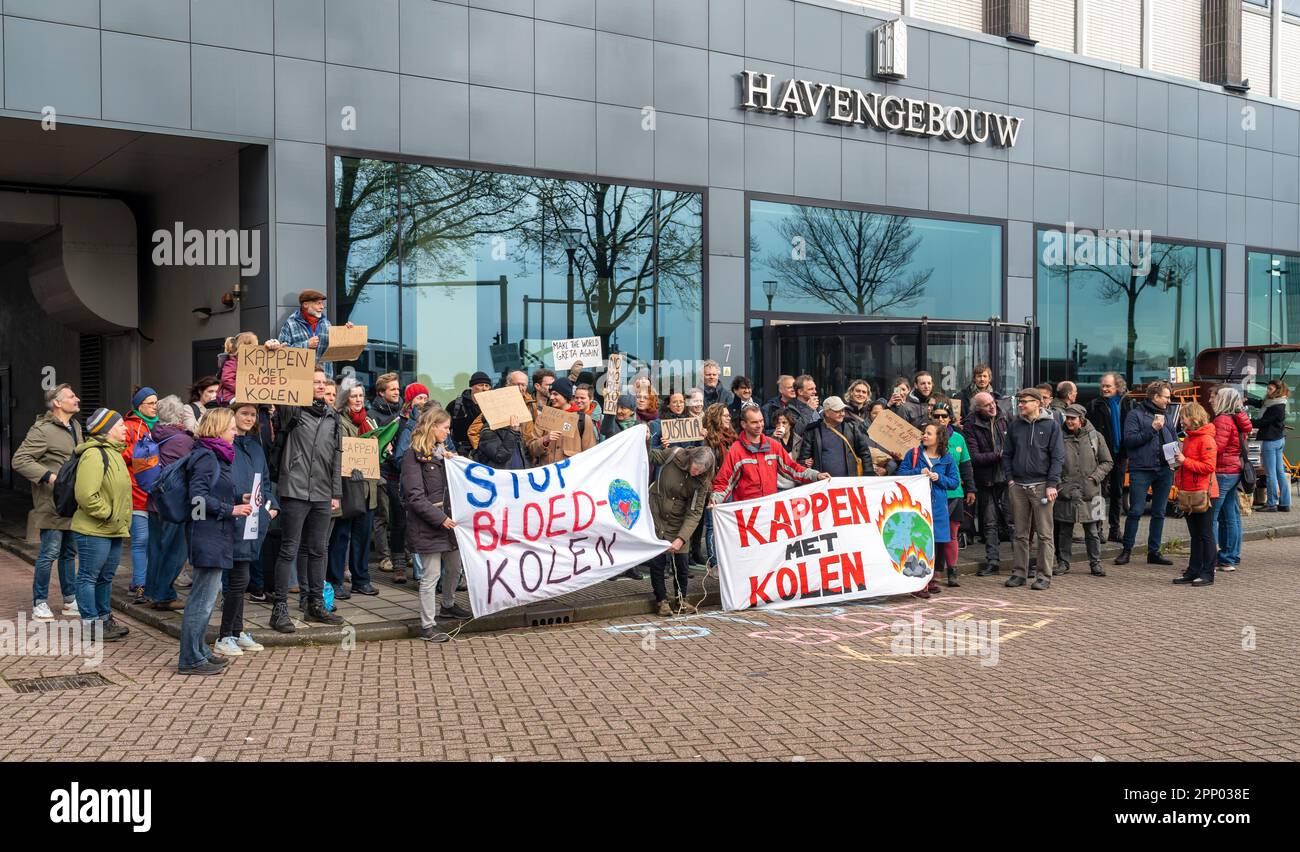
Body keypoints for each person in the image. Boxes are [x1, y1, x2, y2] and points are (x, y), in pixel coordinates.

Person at [176, 408, 255, 675]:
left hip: (217, 536)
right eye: (231, 427)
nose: (236, 432)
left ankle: (199, 651)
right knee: (201, 600)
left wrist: (237, 500)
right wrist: (230, 510)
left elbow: (213, 493)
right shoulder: (206, 457)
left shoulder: (217, 456)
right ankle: (190, 658)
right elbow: (196, 500)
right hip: (207, 537)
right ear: (219, 429)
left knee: (207, 599)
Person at [268, 367, 344, 632]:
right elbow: (278, 390)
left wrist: (336, 493)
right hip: (295, 488)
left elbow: (337, 457)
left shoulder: (333, 416)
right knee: (289, 548)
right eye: (315, 382)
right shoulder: (293, 410)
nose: (320, 386)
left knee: (318, 549)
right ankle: (279, 610)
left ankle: (315, 605)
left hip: (323, 491)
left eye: (323, 382)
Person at [13, 383, 85, 621]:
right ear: (57, 403)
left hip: (71, 503)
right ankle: (40, 602)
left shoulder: (75, 425)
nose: (77, 399)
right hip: (50, 502)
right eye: (71, 396)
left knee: (69, 552)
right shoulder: (42, 429)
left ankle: (69, 600)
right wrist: (50, 477)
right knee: (50, 552)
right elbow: (20, 459)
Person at [402, 408, 472, 642]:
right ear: (432, 427)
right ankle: (427, 625)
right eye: (445, 427)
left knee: (454, 566)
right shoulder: (413, 455)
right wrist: (439, 518)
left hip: (449, 523)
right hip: (430, 525)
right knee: (431, 575)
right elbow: (415, 496)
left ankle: (448, 604)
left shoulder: (444, 455)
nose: (448, 432)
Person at [72, 409, 134, 642]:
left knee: (105, 577)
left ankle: (104, 619)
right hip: (94, 530)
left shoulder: (115, 453)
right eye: (120, 425)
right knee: (88, 576)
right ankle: (90, 624)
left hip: (113, 529)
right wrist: (107, 514)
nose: (125, 428)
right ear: (106, 430)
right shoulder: (95, 455)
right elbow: (86, 494)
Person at [220, 402, 278, 647]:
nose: (249, 418)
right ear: (232, 415)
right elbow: (219, 483)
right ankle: (226, 635)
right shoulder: (223, 446)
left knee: (241, 578)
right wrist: (235, 501)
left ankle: (236, 630)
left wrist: (271, 506)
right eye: (244, 413)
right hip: (230, 519)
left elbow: (264, 481)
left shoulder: (255, 447)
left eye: (253, 414)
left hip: (253, 519)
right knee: (237, 579)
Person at [1003, 388, 1065, 590]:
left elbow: (1057, 457)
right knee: (1020, 533)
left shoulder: (1052, 426)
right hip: (1018, 486)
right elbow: (1007, 455)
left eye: (1025, 401)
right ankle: (1019, 573)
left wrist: (1052, 484)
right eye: (1019, 401)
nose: (1020, 405)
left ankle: (1043, 576)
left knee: (1045, 534)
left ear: (1038, 403)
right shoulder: (1015, 425)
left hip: (1042, 486)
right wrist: (1010, 480)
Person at [646, 446, 714, 616]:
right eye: (695, 468)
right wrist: (646, 439)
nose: (696, 473)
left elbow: (695, 512)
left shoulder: (702, 481)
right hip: (656, 514)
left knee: (682, 563)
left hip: (679, 520)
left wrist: (681, 539)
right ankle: (661, 600)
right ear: (691, 459)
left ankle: (681, 599)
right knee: (658, 562)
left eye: (701, 471)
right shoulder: (674, 454)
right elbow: (651, 456)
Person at [1116, 380, 1178, 566]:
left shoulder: (1166, 415)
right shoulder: (1135, 415)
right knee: (1135, 511)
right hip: (1142, 469)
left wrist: (1175, 461)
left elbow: (1173, 439)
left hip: (1165, 470)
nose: (1169, 401)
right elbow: (1130, 441)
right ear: (1155, 397)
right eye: (1166, 397)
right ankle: (1126, 550)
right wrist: (1152, 429)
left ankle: (1154, 552)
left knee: (1159, 512)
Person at [328, 377, 379, 600]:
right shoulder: (338, 421)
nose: (358, 400)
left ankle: (361, 580)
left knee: (363, 536)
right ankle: (336, 581)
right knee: (341, 537)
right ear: (345, 399)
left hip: (368, 489)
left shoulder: (369, 422)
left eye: (360, 396)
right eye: (353, 396)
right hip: (348, 488)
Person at [713, 404, 827, 504]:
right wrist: (715, 499)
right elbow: (724, 481)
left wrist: (816, 475)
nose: (759, 425)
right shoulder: (736, 450)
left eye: (761, 421)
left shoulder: (773, 445)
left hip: (769, 511)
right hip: (747, 513)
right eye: (754, 422)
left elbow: (793, 468)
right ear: (743, 424)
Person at [143, 396, 195, 611]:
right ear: (180, 416)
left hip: (155, 501)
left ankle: (152, 591)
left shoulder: (155, 434)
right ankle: (164, 594)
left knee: (155, 548)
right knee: (176, 550)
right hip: (173, 504)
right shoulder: (183, 440)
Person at [897, 421, 961, 595]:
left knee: (934, 543)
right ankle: (919, 583)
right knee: (919, 541)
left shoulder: (947, 458)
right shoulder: (914, 454)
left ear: (939, 438)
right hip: (917, 506)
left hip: (938, 507)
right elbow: (901, 474)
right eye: (924, 433)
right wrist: (918, 472)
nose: (925, 435)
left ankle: (929, 578)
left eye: (929, 433)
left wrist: (938, 477)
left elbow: (954, 483)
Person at [1053, 404, 1113, 577]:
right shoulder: (1058, 436)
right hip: (1066, 491)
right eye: (1068, 417)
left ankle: (1096, 563)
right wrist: (1059, 485)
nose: (1069, 421)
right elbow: (1053, 463)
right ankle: (1063, 563)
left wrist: (1096, 477)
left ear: (1082, 419)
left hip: (1092, 491)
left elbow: (1107, 462)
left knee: (1093, 531)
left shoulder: (1096, 437)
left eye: (1073, 418)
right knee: (1064, 530)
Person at [963, 391, 1012, 576]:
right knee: (989, 522)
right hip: (987, 479)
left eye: (993, 402)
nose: (992, 406)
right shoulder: (970, 424)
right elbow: (974, 456)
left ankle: (1021, 563)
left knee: (1012, 521)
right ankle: (993, 561)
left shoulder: (1005, 416)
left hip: (1007, 477)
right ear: (978, 409)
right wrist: (998, 455)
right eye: (987, 405)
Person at [1171, 402, 1219, 587]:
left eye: (1184, 416)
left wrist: (1185, 461)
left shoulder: (1206, 440)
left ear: (1193, 418)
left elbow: (1209, 467)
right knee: (1195, 534)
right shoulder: (1190, 437)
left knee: (1205, 534)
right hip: (1190, 491)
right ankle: (1193, 570)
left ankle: (1207, 573)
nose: (1181, 420)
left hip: (1204, 493)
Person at [121, 386, 158, 604]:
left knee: (153, 541)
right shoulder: (128, 427)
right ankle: (140, 584)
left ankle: (141, 581)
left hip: (155, 494)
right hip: (136, 492)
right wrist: (138, 449)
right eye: (151, 403)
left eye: (156, 402)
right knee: (141, 540)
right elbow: (118, 453)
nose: (155, 407)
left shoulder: (159, 427)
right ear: (139, 406)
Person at [1208, 387, 1252, 572]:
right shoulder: (1238, 418)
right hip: (1234, 470)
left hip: (1223, 470)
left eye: (1217, 397)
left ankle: (1209, 558)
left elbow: (1216, 446)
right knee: (1230, 516)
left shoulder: (1223, 420)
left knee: (1211, 516)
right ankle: (1229, 557)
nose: (1213, 400)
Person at [1085, 372, 1132, 542]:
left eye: (1108, 386)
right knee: (1098, 493)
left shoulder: (1126, 403)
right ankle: (1097, 530)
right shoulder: (1094, 405)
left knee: (1117, 492)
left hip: (1120, 455)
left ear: (1117, 387)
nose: (1104, 389)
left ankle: (1115, 529)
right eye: (1103, 386)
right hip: (1100, 457)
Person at [932, 401, 975, 581]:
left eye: (944, 416)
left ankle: (952, 571)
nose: (940, 419)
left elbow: (966, 465)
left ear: (951, 418)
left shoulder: (958, 438)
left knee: (951, 534)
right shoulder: (926, 437)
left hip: (954, 492)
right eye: (937, 416)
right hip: (933, 494)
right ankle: (935, 572)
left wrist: (971, 489)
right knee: (933, 535)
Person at [277, 289, 355, 379]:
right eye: (318, 303)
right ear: (305, 305)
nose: (322, 307)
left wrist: (347, 333)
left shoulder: (327, 324)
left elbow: (337, 350)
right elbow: (281, 352)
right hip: (300, 380)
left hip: (324, 380)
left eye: (322, 304)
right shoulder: (290, 324)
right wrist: (306, 344)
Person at [369, 372, 404, 574]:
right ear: (382, 392)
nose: (397, 392)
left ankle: (402, 551)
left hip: (399, 471)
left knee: (400, 515)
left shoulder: (403, 412)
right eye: (392, 389)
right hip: (382, 471)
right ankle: (384, 556)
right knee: (383, 515)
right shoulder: (373, 415)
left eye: (398, 389)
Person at [799, 396, 873, 478]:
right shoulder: (813, 430)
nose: (842, 413)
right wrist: (805, 463)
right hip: (823, 484)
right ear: (827, 412)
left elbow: (864, 453)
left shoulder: (852, 427)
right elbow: (803, 459)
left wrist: (868, 475)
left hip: (850, 482)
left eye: (843, 410)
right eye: (837, 411)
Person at [700, 403, 736, 569]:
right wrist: (700, 440)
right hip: (714, 488)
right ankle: (714, 562)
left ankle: (728, 559)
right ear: (716, 418)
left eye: (729, 415)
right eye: (725, 415)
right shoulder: (707, 439)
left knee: (729, 526)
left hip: (732, 487)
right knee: (713, 526)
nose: (729, 418)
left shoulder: (732, 438)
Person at [529, 377, 597, 465]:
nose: (551, 397)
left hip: (571, 474)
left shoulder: (583, 419)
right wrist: (545, 440)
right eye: (551, 394)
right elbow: (532, 449)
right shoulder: (544, 417)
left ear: (565, 396)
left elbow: (589, 453)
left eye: (555, 394)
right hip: (548, 473)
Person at [476, 374, 535, 470]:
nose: (520, 388)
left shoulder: (515, 426)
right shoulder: (488, 430)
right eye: (516, 384)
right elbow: (500, 456)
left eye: (523, 385)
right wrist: (513, 432)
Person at [1253, 379, 1290, 512]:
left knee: (1270, 474)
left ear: (1277, 390)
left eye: (1270, 389)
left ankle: (1271, 504)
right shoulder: (1276, 401)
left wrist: (1246, 421)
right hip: (1278, 440)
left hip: (1271, 441)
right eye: (1267, 388)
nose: (1268, 391)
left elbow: (1263, 422)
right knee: (1280, 472)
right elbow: (1261, 403)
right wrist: (1248, 399)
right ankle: (1285, 503)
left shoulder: (1277, 406)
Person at [448, 371, 491, 455]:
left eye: (487, 385)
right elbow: (445, 430)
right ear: (472, 386)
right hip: (462, 452)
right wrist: (455, 448)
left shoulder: (494, 406)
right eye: (480, 385)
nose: (484, 388)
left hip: (487, 452)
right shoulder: (455, 405)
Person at [770, 409, 805, 489]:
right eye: (778, 423)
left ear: (790, 424)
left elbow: (800, 461)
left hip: (795, 486)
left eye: (784, 423)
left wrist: (806, 461)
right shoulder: (771, 440)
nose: (780, 426)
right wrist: (773, 439)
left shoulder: (798, 440)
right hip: (776, 486)